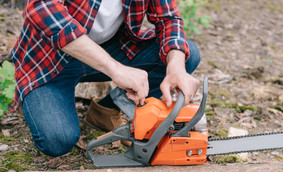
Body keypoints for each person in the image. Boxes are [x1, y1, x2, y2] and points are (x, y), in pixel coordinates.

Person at [11, 0, 201, 157]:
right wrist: (115, 69)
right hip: (48, 60)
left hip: (108, 49)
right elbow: (41, 8)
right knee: (57, 140)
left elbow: (168, 19)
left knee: (185, 55)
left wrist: (176, 66)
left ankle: (106, 110)